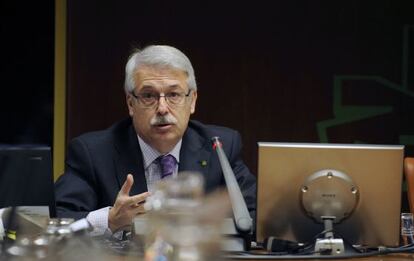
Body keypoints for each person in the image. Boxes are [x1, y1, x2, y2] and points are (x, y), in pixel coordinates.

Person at [54, 45, 256, 235]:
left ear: (192, 100)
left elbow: (254, 216)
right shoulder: (93, 153)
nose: (162, 108)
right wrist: (110, 220)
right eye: (149, 95)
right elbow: (58, 222)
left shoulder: (219, 147)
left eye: (173, 94)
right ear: (130, 103)